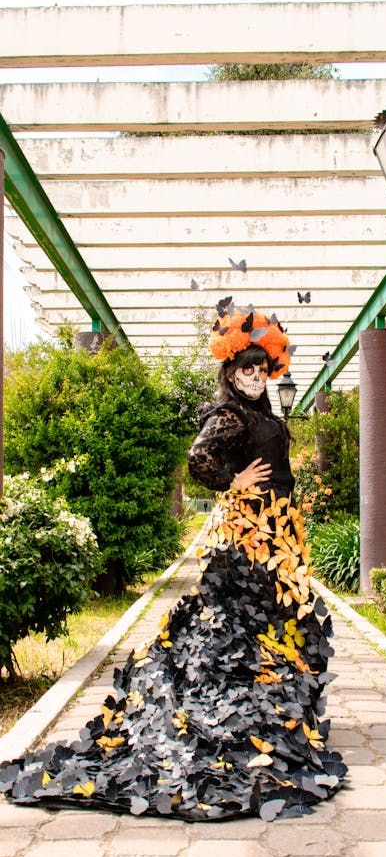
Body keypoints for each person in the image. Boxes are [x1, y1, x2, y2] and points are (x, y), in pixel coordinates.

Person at [0, 299, 346, 822]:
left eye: (260, 368)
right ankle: (242, 707)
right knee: (242, 614)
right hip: (248, 532)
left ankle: (269, 702)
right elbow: (198, 457)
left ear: (269, 371)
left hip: (275, 530)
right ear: (231, 370)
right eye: (244, 368)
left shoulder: (260, 413)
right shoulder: (230, 414)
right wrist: (233, 482)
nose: (253, 377)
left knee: (272, 614)